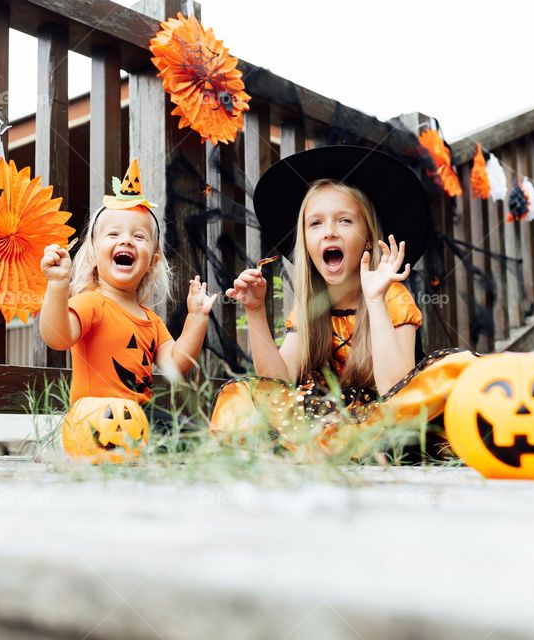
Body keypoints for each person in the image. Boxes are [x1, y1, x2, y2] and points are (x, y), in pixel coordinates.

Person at [210, 145, 476, 456]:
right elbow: (276, 383)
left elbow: (396, 388)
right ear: (306, 240)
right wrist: (254, 311)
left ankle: (331, 450)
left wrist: (375, 300)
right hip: (325, 419)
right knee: (243, 394)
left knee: (459, 368)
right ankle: (321, 447)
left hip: (383, 420)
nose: (329, 233)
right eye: (316, 223)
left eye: (345, 221)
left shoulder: (391, 295)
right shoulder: (311, 305)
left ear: (367, 236)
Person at [39, 159, 217, 410]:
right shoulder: (91, 303)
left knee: (184, 435)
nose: (126, 241)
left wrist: (197, 318)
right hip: (98, 420)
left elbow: (175, 363)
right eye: (113, 234)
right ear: (92, 256)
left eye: (138, 236)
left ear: (152, 262)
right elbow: (57, 337)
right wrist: (57, 284)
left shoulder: (151, 320)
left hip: (140, 421)